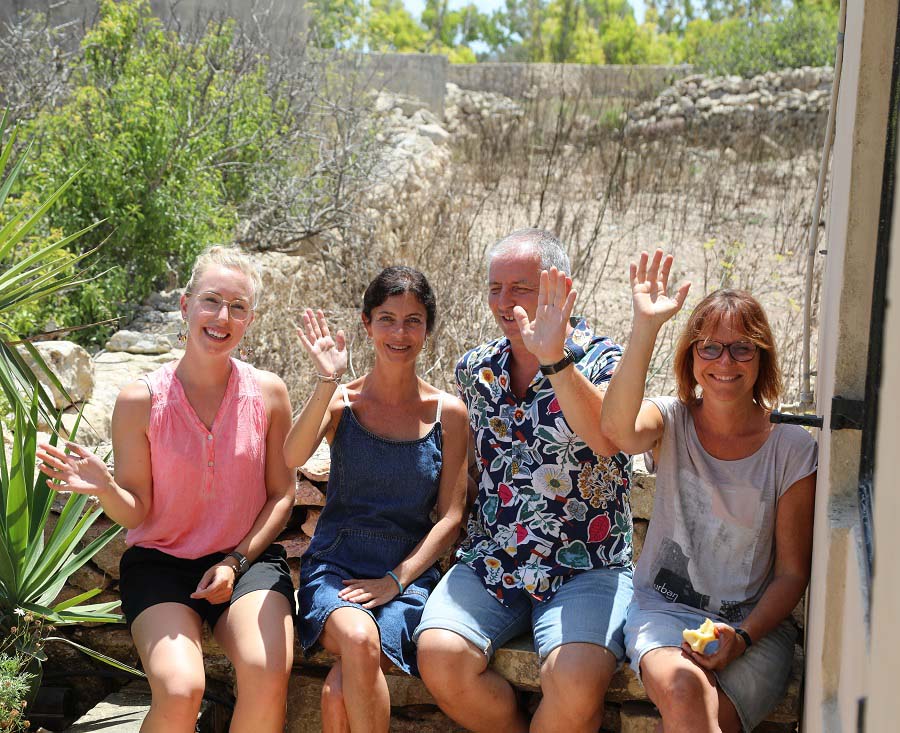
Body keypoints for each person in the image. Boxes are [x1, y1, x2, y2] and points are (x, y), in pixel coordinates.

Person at [36, 246, 296, 733]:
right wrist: (105, 487)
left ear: (250, 319)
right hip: (161, 565)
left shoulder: (268, 393)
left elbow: (282, 493)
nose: (223, 317)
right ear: (185, 305)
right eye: (211, 301)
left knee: (265, 671)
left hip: (246, 562)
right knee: (180, 690)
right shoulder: (141, 400)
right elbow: (136, 512)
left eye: (238, 307)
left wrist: (235, 560)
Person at [557, 249, 816, 732]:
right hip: (665, 611)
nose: (725, 361)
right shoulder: (670, 419)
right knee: (682, 689)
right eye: (710, 348)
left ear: (762, 358)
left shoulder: (792, 449)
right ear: (691, 356)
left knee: (691, 718)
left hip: (755, 629)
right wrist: (646, 327)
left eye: (742, 348)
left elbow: (792, 574)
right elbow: (616, 430)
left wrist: (740, 636)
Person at [415, 229, 634, 733]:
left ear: (560, 289)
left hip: (588, 565)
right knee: (440, 655)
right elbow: (472, 467)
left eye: (520, 287)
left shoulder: (604, 361)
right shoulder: (476, 369)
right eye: (495, 288)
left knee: (577, 680)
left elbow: (607, 439)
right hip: (496, 558)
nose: (503, 301)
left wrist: (554, 357)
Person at [285, 266, 468, 733]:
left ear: (428, 328)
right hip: (337, 568)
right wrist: (326, 381)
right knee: (360, 640)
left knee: (336, 694)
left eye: (413, 320)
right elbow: (291, 454)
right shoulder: (341, 402)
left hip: (406, 576)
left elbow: (451, 516)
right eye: (387, 318)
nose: (399, 332)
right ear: (366, 324)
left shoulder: (448, 413)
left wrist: (397, 579)